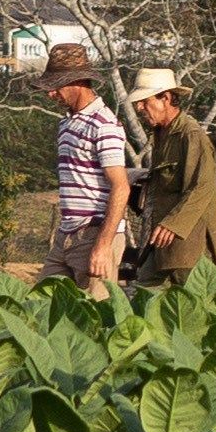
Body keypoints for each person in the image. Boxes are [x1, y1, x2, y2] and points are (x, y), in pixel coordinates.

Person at [127, 61, 216, 290]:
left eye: (145, 101)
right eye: (138, 102)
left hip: (190, 244)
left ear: (165, 98)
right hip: (161, 243)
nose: (140, 107)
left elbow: (202, 187)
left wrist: (173, 224)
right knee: (145, 294)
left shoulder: (191, 136)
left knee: (199, 307)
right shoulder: (162, 135)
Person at [42, 43, 133, 291]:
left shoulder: (104, 124)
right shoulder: (67, 124)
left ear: (78, 82)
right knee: (39, 307)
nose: (51, 94)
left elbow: (121, 187)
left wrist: (103, 246)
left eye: (57, 86)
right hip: (66, 234)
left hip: (94, 234)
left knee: (94, 319)